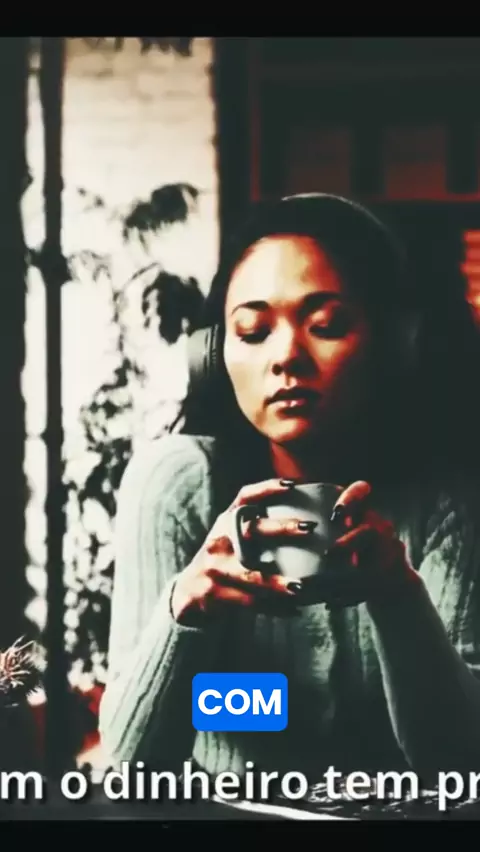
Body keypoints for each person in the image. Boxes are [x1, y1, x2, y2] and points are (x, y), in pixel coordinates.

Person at [99, 193, 480, 790]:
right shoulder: (176, 484)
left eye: (325, 325)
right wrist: (185, 613)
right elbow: (132, 772)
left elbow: (459, 767)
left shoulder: (445, 500)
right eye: (252, 331)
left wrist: (400, 600)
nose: (286, 358)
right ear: (213, 354)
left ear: (395, 344)